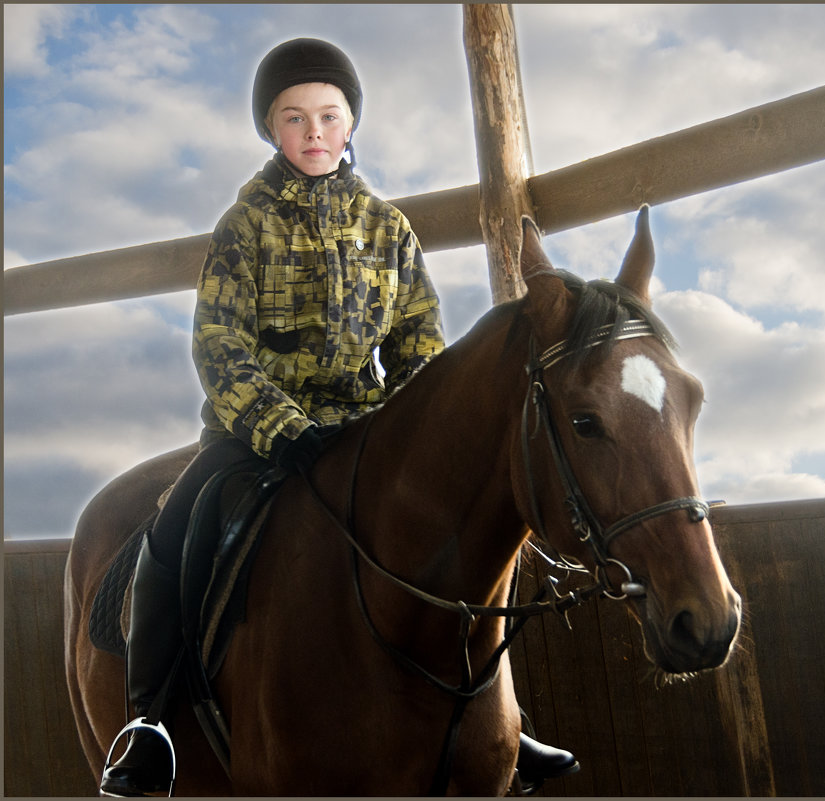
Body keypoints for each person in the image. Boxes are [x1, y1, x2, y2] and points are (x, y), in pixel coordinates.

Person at [100, 37, 577, 797]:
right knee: (172, 538)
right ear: (271, 130)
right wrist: (282, 427)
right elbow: (220, 347)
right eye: (293, 118)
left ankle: (499, 718)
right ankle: (150, 722)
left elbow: (419, 348)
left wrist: (413, 433)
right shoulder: (244, 225)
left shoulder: (389, 229)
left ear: (350, 122)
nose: (312, 131)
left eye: (327, 115)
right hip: (256, 440)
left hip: (365, 432)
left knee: (460, 535)